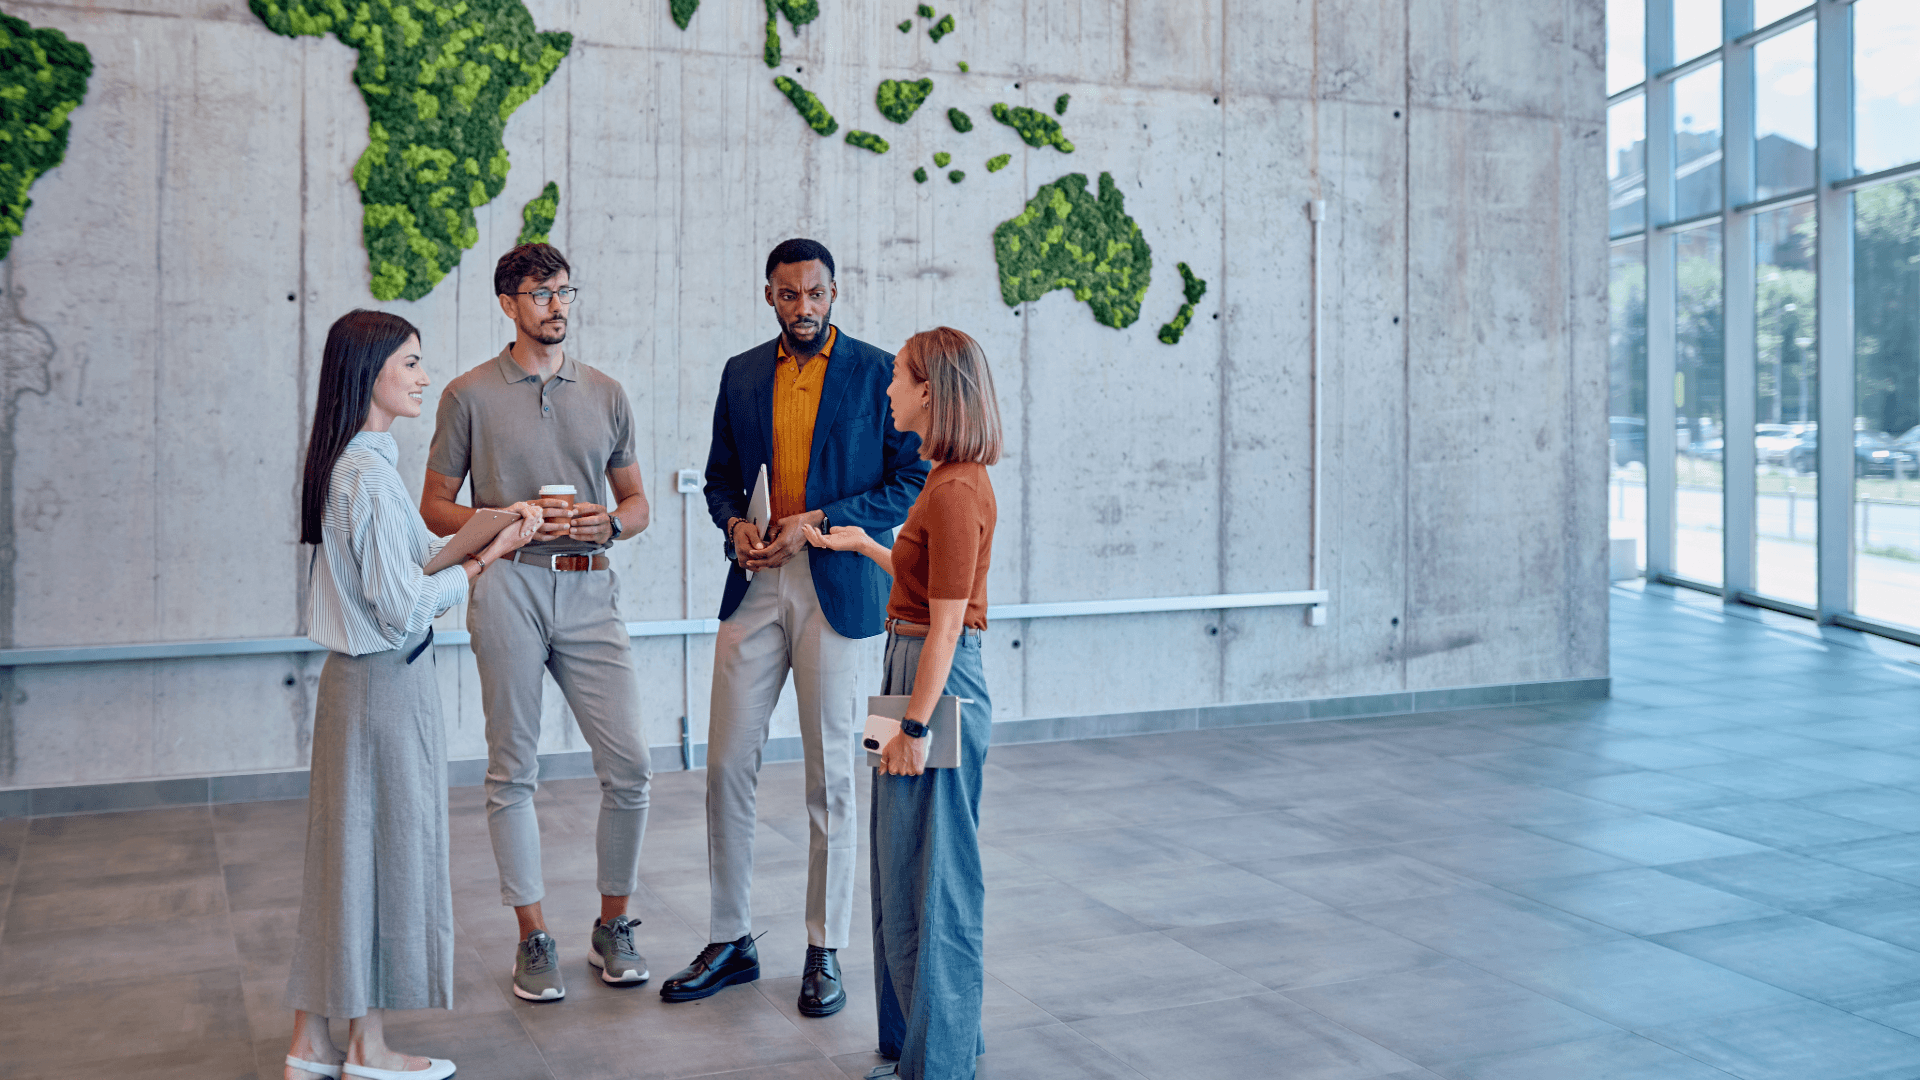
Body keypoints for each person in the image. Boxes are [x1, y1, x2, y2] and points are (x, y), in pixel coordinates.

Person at [661, 239, 929, 1017]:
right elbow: (719, 480)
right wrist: (733, 529)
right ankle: (730, 936)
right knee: (726, 768)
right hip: (754, 587)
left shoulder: (880, 372)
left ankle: (825, 948)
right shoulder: (742, 373)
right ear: (769, 295)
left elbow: (908, 481)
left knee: (831, 776)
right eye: (787, 294)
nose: (802, 307)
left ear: (835, 292)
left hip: (838, 589)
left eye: (814, 293)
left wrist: (818, 521)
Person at [286, 310, 540, 1080]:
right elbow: (400, 606)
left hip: (368, 686)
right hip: (383, 687)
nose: (424, 377)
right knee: (384, 860)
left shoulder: (361, 460)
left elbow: (407, 562)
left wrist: (487, 538)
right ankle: (366, 1048)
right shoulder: (363, 471)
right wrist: (479, 563)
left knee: (349, 863)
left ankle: (314, 1043)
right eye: (411, 364)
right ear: (370, 373)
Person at [420, 242, 656, 1002]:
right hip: (510, 589)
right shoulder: (467, 395)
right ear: (508, 304)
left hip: (591, 591)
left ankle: (612, 926)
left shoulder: (608, 393)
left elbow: (638, 505)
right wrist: (507, 519)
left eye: (564, 292)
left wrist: (609, 526)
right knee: (511, 770)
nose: (557, 306)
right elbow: (433, 505)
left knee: (631, 768)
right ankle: (534, 938)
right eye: (541, 293)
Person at [803, 327, 1000, 1080]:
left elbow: (950, 623)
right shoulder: (943, 479)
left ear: (932, 391)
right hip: (908, 657)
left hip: (932, 677)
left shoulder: (954, 489)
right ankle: (922, 1042)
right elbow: (924, 591)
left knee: (938, 872)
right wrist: (867, 548)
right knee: (902, 861)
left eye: (900, 379)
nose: (888, 390)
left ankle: (941, 1063)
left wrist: (915, 724)